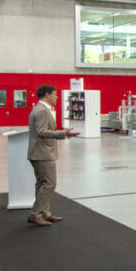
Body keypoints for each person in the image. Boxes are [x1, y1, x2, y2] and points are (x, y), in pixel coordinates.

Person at [26, 85, 78, 226]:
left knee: (42, 184)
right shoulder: (42, 111)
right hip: (43, 153)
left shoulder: (39, 109)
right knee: (49, 183)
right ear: (47, 95)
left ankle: (45, 213)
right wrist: (63, 133)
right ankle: (36, 214)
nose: (56, 97)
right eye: (54, 95)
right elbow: (42, 131)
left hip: (38, 152)